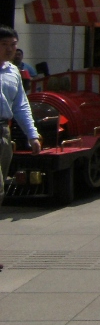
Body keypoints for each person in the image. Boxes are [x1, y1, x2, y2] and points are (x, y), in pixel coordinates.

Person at [1, 26, 42, 213]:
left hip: (3, 132)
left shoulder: (13, 72)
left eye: (13, 45)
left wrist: (32, 135)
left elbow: (21, 106)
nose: (9, 49)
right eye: (4, 44)